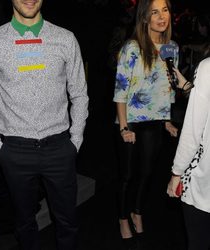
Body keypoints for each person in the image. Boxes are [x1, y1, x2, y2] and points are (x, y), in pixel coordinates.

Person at [0, 0, 89, 250]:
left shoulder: (65, 39)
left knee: (68, 221)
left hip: (60, 147)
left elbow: (79, 93)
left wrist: (76, 139)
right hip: (15, 151)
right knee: (24, 223)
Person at [113, 0, 189, 247]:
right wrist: (124, 127)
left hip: (156, 121)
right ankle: (123, 217)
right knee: (127, 175)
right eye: (154, 12)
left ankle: (137, 211)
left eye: (165, 10)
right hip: (132, 121)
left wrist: (167, 120)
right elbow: (121, 90)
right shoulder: (132, 48)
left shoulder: (171, 48)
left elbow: (166, 87)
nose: (161, 16)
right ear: (144, 17)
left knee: (147, 173)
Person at [167, 48, 210, 250]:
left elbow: (194, 129)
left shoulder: (208, 68)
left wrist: (177, 172)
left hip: (205, 185)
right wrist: (188, 86)